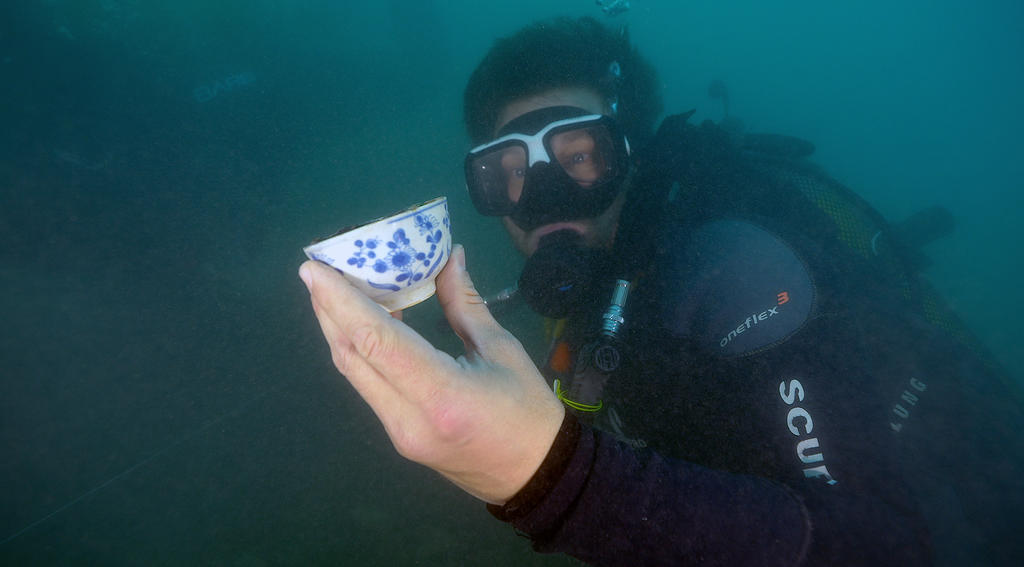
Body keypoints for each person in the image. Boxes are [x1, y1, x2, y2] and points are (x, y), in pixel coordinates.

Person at [299, 17, 1024, 566]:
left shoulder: (733, 272)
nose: (545, 194)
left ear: (632, 158)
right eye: (509, 172)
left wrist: (556, 481)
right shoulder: (604, 298)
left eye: (581, 156)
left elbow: (881, 546)